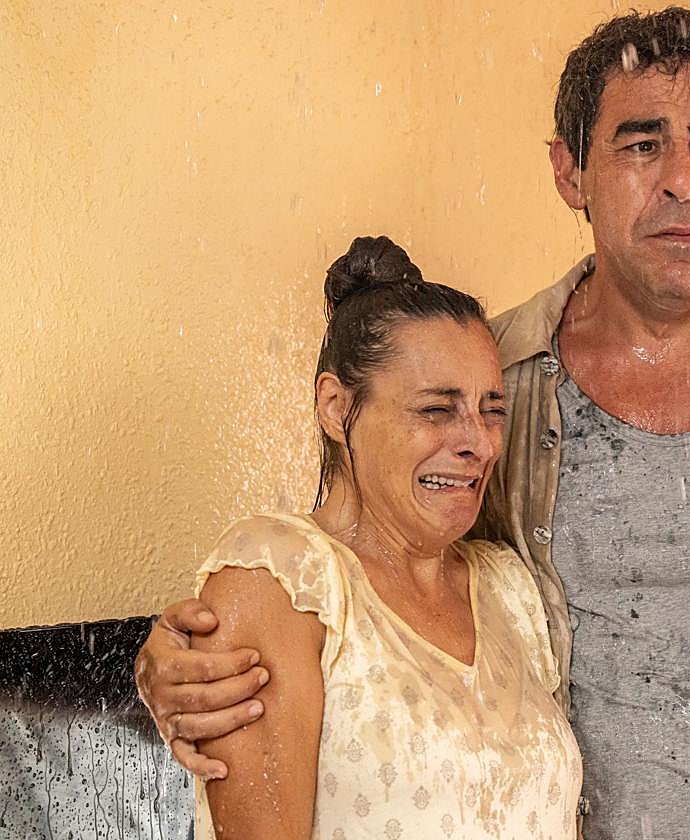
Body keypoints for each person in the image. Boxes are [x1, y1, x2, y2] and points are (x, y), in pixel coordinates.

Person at [136, 8, 690, 839]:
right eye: (641, 144)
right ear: (570, 172)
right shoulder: (499, 380)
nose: (683, 179)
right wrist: (189, 655)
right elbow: (369, 571)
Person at [183, 236, 581, 838]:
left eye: (492, 409)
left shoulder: (507, 587)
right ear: (336, 406)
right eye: (436, 409)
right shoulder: (280, 579)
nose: (479, 442)